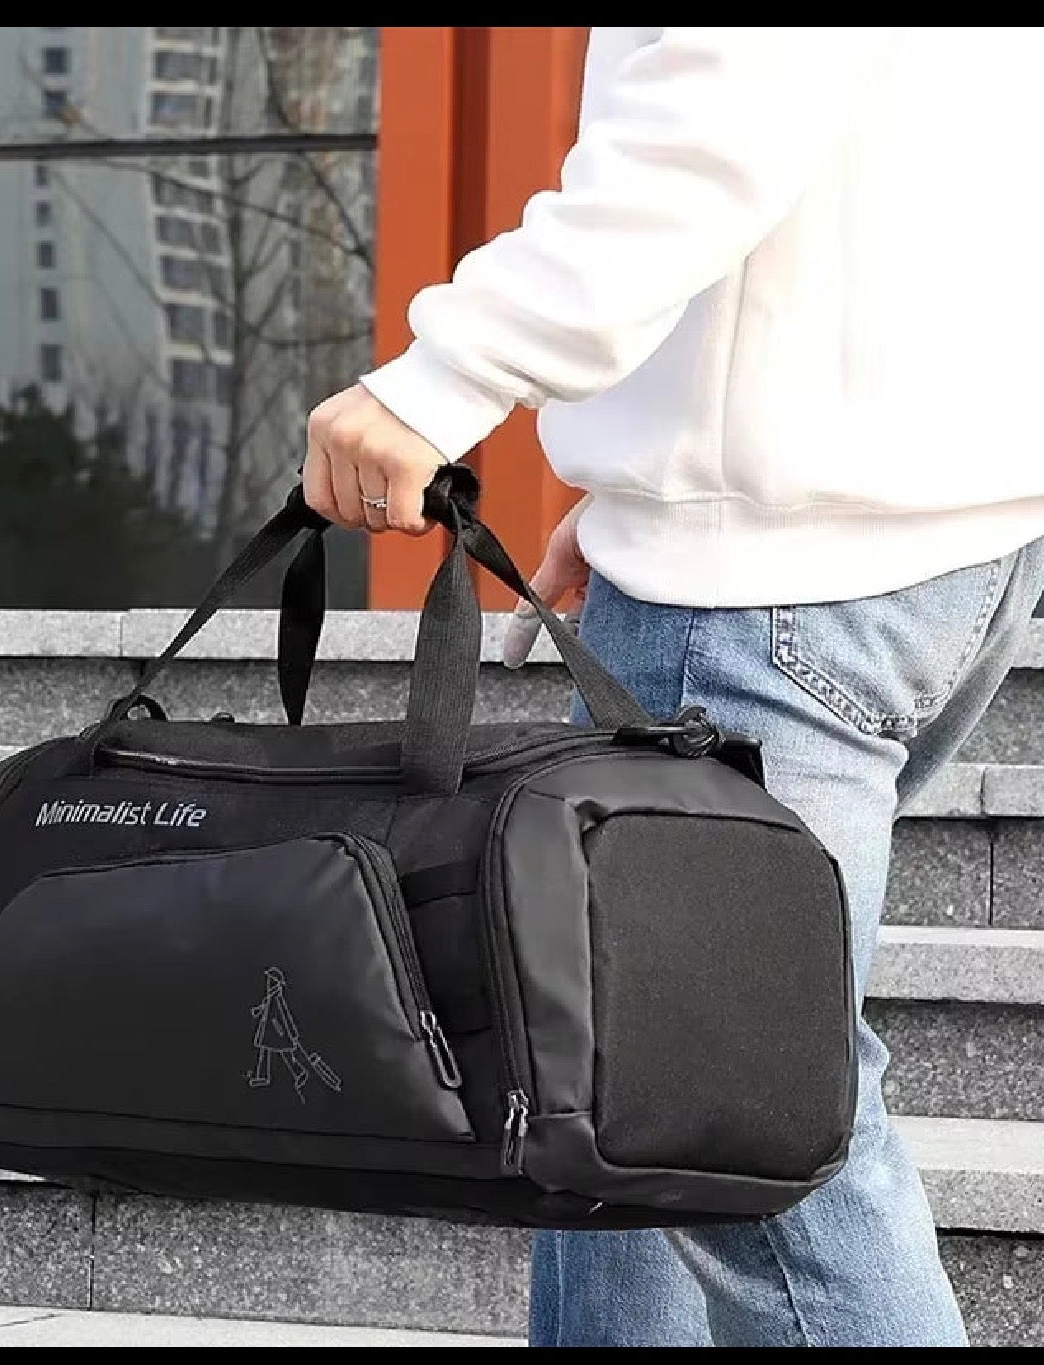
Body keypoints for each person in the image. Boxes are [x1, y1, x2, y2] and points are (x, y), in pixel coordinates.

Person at [301, 26, 1044, 1349]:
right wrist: (661, 470)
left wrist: (445, 377)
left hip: (781, 574)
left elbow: (709, 127)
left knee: (735, 1101)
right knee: (625, 1083)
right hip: (929, 535)